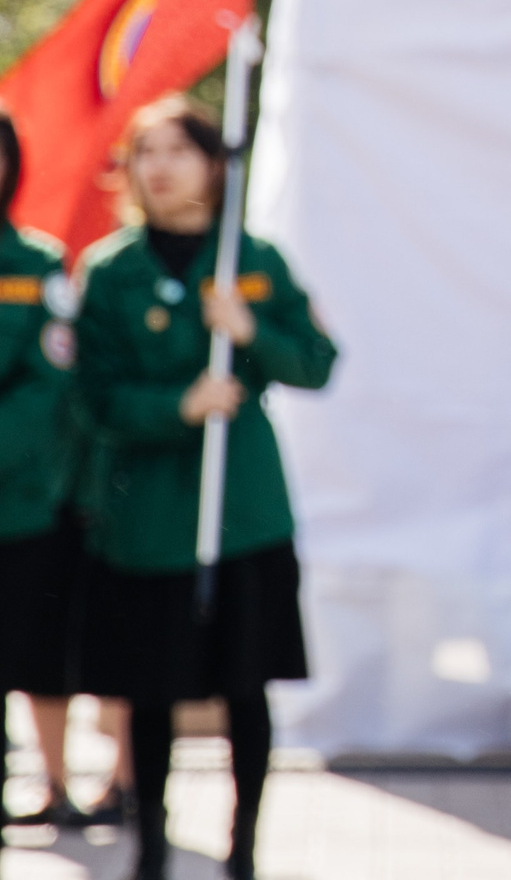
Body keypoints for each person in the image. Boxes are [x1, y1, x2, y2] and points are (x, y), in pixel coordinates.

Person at [79, 93, 337, 880]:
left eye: (177, 149)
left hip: (242, 513)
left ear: (214, 163)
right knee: (150, 688)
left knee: (244, 684)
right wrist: (177, 406)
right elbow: (92, 397)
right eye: (144, 151)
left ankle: (244, 846)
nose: (159, 167)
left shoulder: (251, 261)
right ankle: (151, 846)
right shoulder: (111, 271)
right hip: (151, 516)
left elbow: (317, 361)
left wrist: (253, 333)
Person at [0, 107, 103, 829]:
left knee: (39, 653)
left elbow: (51, 381)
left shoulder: (36, 266)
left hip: (27, 499)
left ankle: (56, 785)